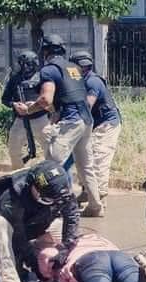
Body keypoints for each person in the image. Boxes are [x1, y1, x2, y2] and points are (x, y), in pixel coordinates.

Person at [0, 161, 80, 282]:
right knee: (0, 224)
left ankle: (50, 266)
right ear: (33, 187)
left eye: (55, 199)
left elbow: (72, 216)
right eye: (47, 199)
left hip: (35, 220)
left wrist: (65, 249)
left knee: (61, 229)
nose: (52, 201)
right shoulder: (12, 196)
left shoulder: (60, 189)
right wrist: (36, 267)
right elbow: (19, 237)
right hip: (0, 215)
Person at [14, 35, 99, 216]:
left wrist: (28, 110)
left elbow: (46, 99)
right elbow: (70, 94)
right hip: (86, 120)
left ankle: (53, 208)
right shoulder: (73, 68)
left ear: (44, 51)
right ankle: (95, 206)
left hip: (70, 122)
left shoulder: (49, 70)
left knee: (51, 167)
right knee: (85, 166)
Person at [69, 51, 122, 210]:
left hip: (106, 125)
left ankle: (101, 198)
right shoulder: (78, 79)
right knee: (85, 159)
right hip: (92, 124)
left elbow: (87, 105)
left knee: (99, 158)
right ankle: (87, 192)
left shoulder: (93, 82)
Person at [2, 50, 49, 169]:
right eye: (22, 64)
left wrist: (36, 104)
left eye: (28, 64)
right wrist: (14, 105)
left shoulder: (43, 77)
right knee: (13, 148)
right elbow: (5, 99)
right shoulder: (15, 79)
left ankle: (51, 175)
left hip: (41, 118)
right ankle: (19, 175)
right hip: (21, 119)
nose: (25, 67)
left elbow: (50, 98)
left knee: (51, 150)